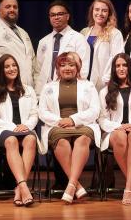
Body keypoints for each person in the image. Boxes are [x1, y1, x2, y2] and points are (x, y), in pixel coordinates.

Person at [39, 52, 101, 204]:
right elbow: (43, 112)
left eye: (71, 65)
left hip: (83, 124)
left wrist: (73, 120)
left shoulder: (88, 85)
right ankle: (77, 185)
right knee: (61, 142)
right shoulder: (48, 87)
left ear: (77, 68)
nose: (67, 68)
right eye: (63, 65)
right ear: (58, 68)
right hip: (57, 125)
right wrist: (62, 121)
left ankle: (71, 185)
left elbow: (95, 110)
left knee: (83, 139)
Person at [0, 54, 43, 206]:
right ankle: (24, 187)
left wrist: (27, 126)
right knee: (11, 140)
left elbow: (34, 113)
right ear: (1, 71)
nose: (12, 69)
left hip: (24, 129)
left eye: (14, 65)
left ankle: (19, 188)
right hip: (3, 130)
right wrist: (12, 127)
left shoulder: (28, 90)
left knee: (31, 139)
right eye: (7, 66)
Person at [98, 53, 131, 205]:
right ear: (113, 69)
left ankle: (128, 187)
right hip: (115, 131)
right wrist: (119, 126)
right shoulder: (105, 91)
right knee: (121, 136)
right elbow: (102, 119)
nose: (121, 68)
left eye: (124, 65)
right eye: (118, 66)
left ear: (130, 67)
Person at [35, 0, 90, 94]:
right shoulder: (43, 41)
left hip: (69, 90)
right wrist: (38, 88)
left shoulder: (78, 38)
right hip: (45, 91)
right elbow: (38, 70)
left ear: (67, 16)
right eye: (52, 15)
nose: (56, 17)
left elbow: (83, 68)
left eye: (60, 14)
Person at [82, 0, 124, 91]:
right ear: (92, 11)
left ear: (109, 13)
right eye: (97, 10)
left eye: (104, 11)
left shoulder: (114, 33)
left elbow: (117, 58)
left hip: (104, 83)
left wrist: (108, 79)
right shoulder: (85, 32)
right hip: (85, 81)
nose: (100, 13)